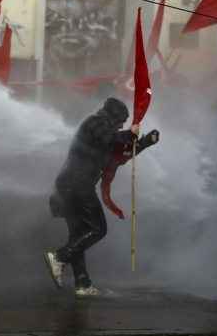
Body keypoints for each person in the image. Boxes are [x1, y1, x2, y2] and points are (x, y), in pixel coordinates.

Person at [44, 97, 160, 299]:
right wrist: (127, 134)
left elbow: (118, 158)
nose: (123, 124)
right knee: (98, 229)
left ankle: (83, 284)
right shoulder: (95, 122)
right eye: (122, 120)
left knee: (77, 235)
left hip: (70, 185)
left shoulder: (108, 134)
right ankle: (59, 258)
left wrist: (142, 143)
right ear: (114, 116)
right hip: (76, 184)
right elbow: (109, 138)